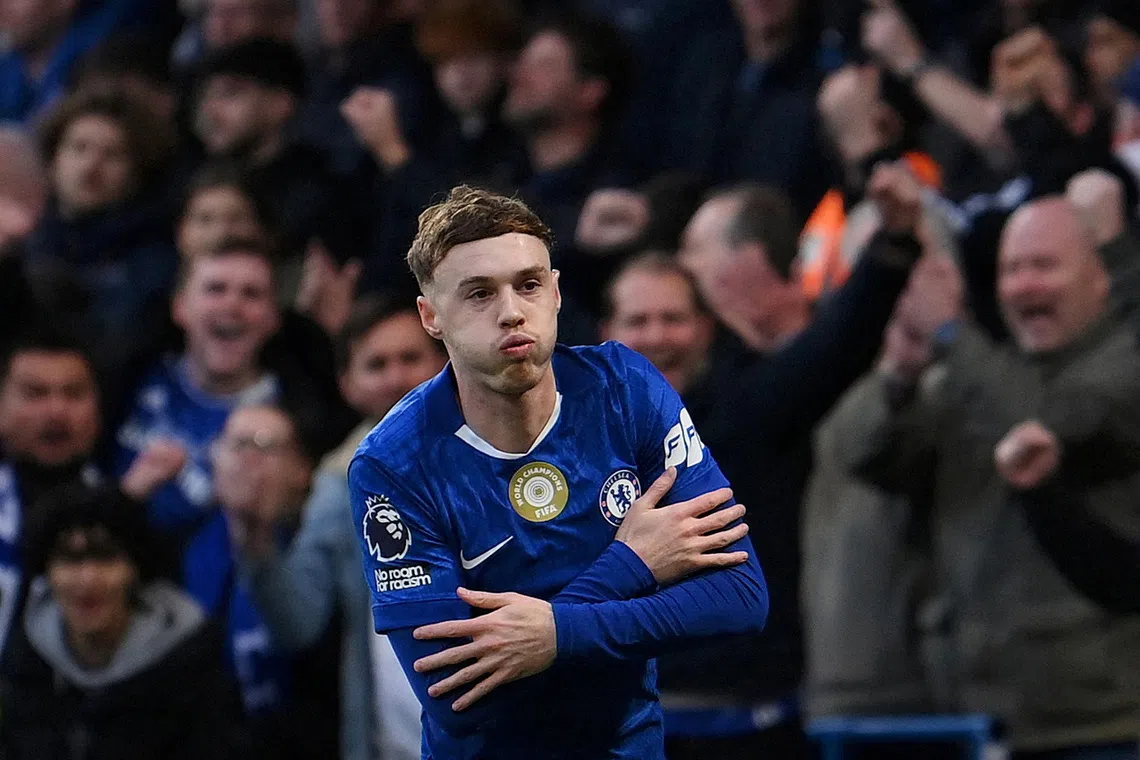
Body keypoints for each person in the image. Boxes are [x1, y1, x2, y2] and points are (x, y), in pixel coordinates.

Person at [348, 186, 768, 759]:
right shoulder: (393, 466)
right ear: (431, 317)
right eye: (478, 294)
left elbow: (740, 594)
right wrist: (630, 566)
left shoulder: (626, 389)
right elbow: (461, 698)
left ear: (556, 292)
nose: (512, 311)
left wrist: (554, 633)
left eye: (528, 284)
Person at [225, 300, 447, 760]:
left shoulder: (500, 453)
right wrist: (256, 537)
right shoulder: (337, 483)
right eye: (376, 365)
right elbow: (298, 625)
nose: (396, 378)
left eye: (411, 358)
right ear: (347, 385)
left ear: (445, 361)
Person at [0, 483, 248, 760]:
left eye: (106, 557)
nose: (88, 580)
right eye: (69, 559)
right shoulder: (26, 661)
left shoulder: (192, 666)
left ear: (136, 569)